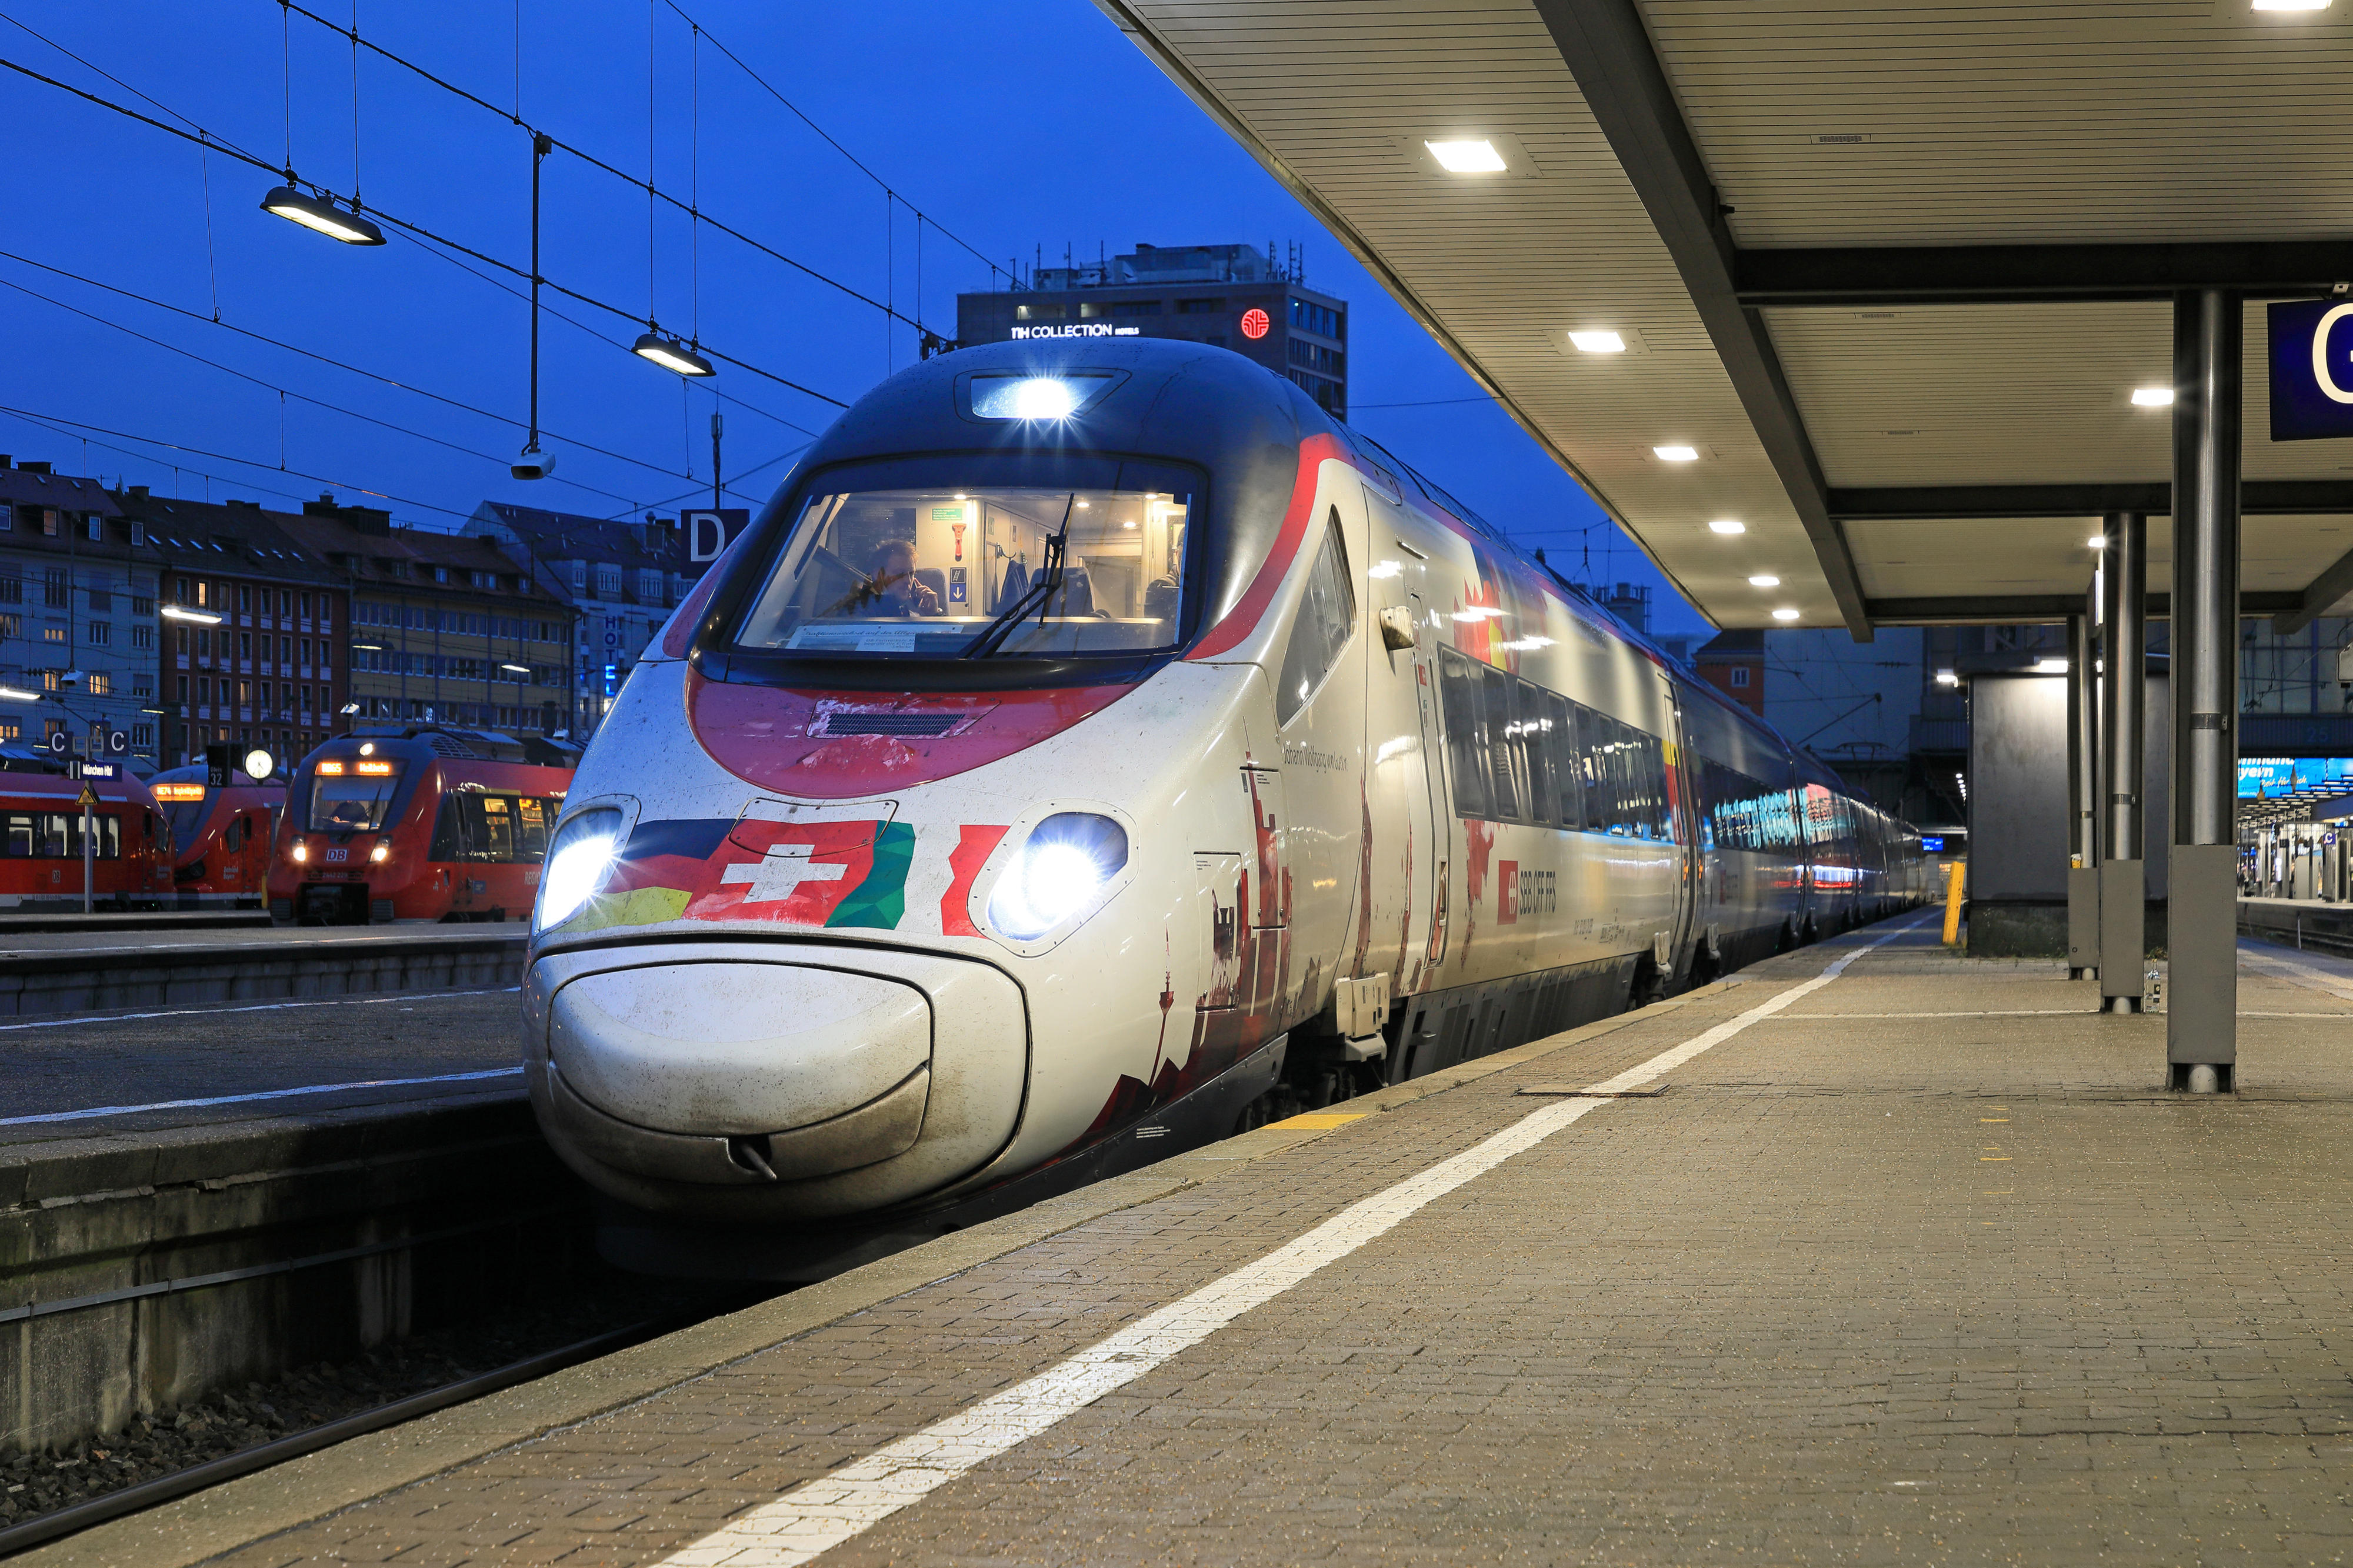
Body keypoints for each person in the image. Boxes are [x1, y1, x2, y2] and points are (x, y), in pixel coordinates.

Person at [857, 538, 941, 616]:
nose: (908, 581)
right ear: (878, 575)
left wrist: (933, 615)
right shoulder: (861, 611)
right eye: (900, 573)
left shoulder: (908, 608)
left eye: (912, 574)